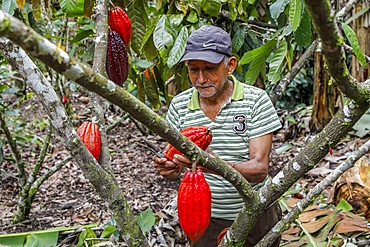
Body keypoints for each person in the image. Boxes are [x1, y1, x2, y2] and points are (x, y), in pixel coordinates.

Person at [153, 25, 282, 247]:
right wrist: (169, 169)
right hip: (203, 217)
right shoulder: (180, 105)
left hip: (254, 213)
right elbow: (174, 163)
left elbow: (260, 169)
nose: (201, 79)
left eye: (210, 69)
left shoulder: (255, 101)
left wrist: (213, 164)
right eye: (194, 70)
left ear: (230, 65)